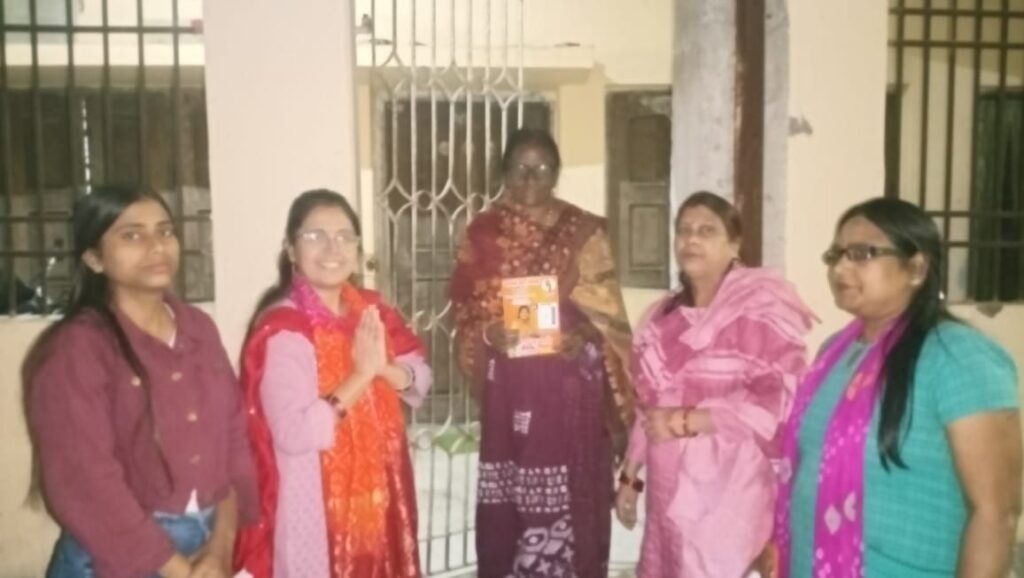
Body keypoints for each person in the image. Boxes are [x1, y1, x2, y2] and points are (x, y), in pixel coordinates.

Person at [773, 197, 1022, 577]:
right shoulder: (834, 352)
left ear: (916, 268)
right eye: (836, 255)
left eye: (861, 254)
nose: (839, 267)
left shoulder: (958, 356)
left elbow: (996, 512)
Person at [25, 186, 258, 578]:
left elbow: (233, 440)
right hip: (117, 558)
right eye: (132, 235)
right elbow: (87, 483)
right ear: (94, 258)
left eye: (165, 231)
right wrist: (179, 570)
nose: (157, 246)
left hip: (207, 546)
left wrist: (221, 547)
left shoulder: (198, 329)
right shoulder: (77, 349)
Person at [450, 128, 636, 578]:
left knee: (573, 495)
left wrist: (585, 336)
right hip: (509, 391)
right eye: (520, 169)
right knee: (510, 502)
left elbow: (610, 320)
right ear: (503, 172)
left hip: (571, 391)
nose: (531, 179)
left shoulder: (584, 232)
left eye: (542, 169)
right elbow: (466, 313)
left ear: (556, 173)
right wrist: (491, 333)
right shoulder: (483, 233)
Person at [614, 191, 815, 577]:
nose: (691, 239)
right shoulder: (663, 317)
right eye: (684, 230)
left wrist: (688, 420)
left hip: (729, 491)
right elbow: (648, 405)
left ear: (734, 245)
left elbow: (780, 402)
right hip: (667, 488)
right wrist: (630, 475)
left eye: (707, 231)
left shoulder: (760, 310)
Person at [233, 189, 430, 578]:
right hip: (315, 508)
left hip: (381, 498)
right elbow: (296, 433)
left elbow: (420, 377)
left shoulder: (371, 311)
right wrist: (361, 376)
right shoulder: (285, 330)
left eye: (344, 236)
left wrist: (383, 369)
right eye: (315, 236)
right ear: (291, 250)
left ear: (357, 249)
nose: (331, 248)